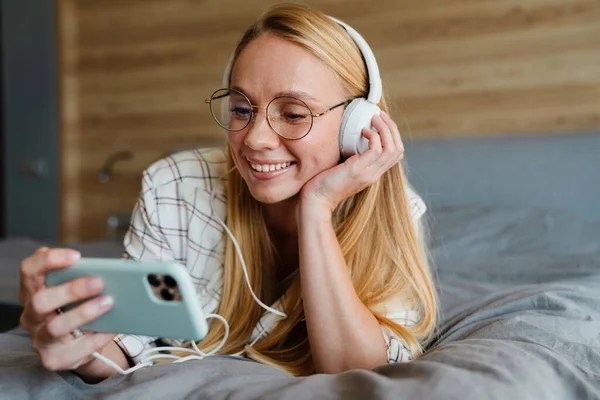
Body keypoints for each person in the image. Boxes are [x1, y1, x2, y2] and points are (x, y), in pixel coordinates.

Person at [17, 3, 437, 383]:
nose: (255, 139)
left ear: (356, 126)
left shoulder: (393, 214)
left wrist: (317, 208)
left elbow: (359, 375)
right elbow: (128, 346)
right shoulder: (176, 186)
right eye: (241, 109)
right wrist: (75, 351)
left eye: (292, 114)